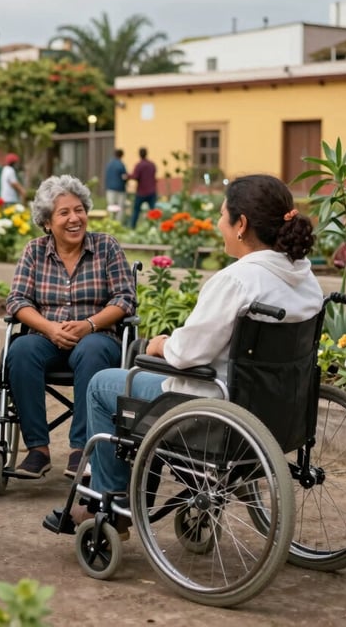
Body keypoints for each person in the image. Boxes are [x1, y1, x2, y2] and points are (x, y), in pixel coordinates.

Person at [78, 174, 323, 522]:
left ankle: (112, 500)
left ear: (241, 225)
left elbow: (188, 355)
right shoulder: (303, 275)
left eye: (222, 215)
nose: (217, 223)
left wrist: (163, 345)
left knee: (104, 383)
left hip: (214, 409)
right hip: (278, 409)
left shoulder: (237, 280)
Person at [5, 174, 136, 480]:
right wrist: (49, 328)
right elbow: (17, 300)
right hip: (46, 337)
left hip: (97, 336)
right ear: (47, 222)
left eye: (79, 210)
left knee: (91, 351)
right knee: (21, 350)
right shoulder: (34, 251)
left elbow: (125, 298)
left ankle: (82, 449)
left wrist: (89, 324)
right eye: (64, 213)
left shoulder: (106, 247)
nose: (75, 218)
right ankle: (38, 449)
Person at [128, 147, 157, 228]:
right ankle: (153, 227)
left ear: (139, 154)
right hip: (152, 191)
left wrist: (127, 176)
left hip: (141, 192)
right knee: (153, 212)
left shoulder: (139, 165)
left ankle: (132, 227)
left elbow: (135, 176)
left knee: (136, 211)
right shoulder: (152, 165)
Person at [104, 149, 127, 223]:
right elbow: (124, 177)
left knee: (111, 205)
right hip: (120, 189)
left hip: (110, 188)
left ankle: (110, 221)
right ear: (122, 155)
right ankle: (118, 222)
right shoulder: (121, 165)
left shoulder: (109, 164)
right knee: (120, 207)